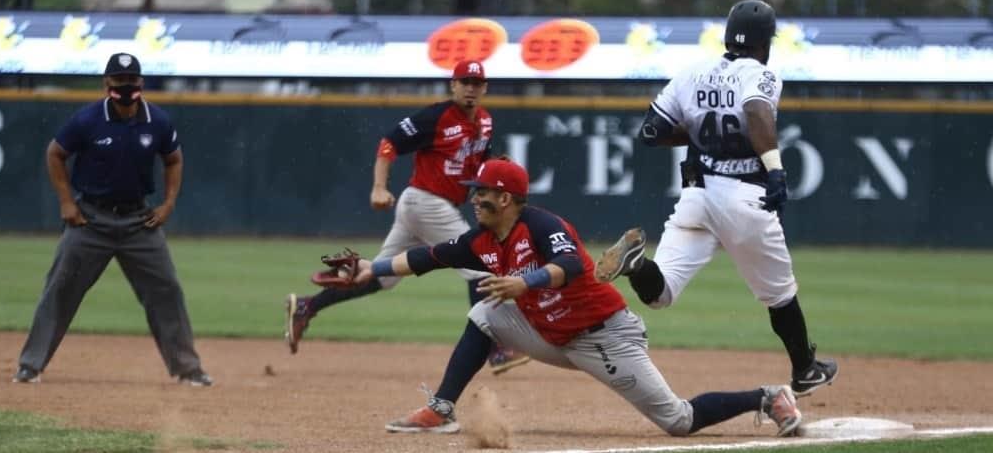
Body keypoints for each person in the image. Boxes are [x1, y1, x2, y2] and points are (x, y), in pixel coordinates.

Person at [342, 158, 803, 437]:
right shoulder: (478, 240)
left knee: (678, 421)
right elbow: (424, 258)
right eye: (474, 192)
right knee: (485, 312)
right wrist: (369, 267)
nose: (473, 199)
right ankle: (441, 409)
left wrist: (526, 283)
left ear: (506, 198)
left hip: (604, 337)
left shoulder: (543, 226)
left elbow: (573, 266)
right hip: (550, 333)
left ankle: (767, 397)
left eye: (481, 193)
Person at [596, 0, 838, 396]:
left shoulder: (692, 73)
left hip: (698, 195)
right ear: (766, 42)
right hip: (745, 198)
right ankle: (805, 370)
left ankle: (637, 265)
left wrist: (696, 136)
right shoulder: (760, 73)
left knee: (659, 293)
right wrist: (776, 169)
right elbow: (757, 112)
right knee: (780, 295)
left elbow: (652, 131)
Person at [284, 60, 529, 374]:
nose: (470, 88)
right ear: (453, 85)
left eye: (476, 83)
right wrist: (378, 187)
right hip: (425, 201)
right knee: (478, 263)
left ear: (485, 88)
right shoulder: (435, 117)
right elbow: (389, 144)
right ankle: (495, 348)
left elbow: (479, 164)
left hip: (430, 207)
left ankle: (307, 306)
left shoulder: (485, 121)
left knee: (381, 277)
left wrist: (496, 170)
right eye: (464, 82)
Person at [12, 53, 212, 387]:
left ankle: (188, 368)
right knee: (61, 288)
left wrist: (168, 204)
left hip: (139, 221)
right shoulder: (88, 119)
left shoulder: (157, 120)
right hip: (91, 220)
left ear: (141, 82)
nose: (126, 86)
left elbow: (174, 159)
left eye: (132, 80)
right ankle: (30, 365)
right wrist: (66, 201)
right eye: (120, 80)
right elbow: (55, 153)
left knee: (166, 290)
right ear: (107, 83)